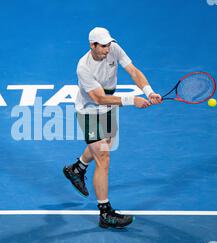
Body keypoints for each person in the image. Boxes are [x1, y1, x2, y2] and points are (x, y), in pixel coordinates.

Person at [63, 27, 162, 229]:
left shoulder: (113, 48)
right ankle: (105, 213)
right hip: (89, 111)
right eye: (103, 46)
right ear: (92, 45)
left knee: (104, 144)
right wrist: (131, 100)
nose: (108, 50)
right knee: (103, 157)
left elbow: (133, 70)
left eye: (109, 45)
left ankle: (77, 169)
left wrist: (149, 91)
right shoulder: (83, 67)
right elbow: (98, 98)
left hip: (108, 109)